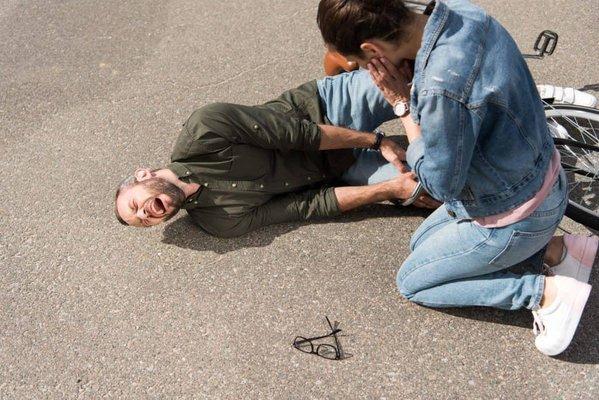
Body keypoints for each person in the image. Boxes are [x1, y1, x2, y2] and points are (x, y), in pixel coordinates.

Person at [316, 0, 595, 356]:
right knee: (420, 243)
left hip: (515, 214)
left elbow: (440, 184)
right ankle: (560, 251)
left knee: (413, 282)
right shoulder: (463, 13)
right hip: (542, 177)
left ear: (372, 49)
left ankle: (545, 295)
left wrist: (402, 104)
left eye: (361, 62)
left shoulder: (440, 87)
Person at [114, 70, 439, 237]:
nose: (145, 214)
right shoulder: (219, 221)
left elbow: (301, 134)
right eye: (143, 222)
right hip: (337, 168)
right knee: (433, 186)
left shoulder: (204, 129)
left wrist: (377, 141)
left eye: (134, 205)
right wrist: (390, 189)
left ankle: (351, 68)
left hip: (325, 110)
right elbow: (308, 205)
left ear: (144, 175)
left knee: (422, 85)